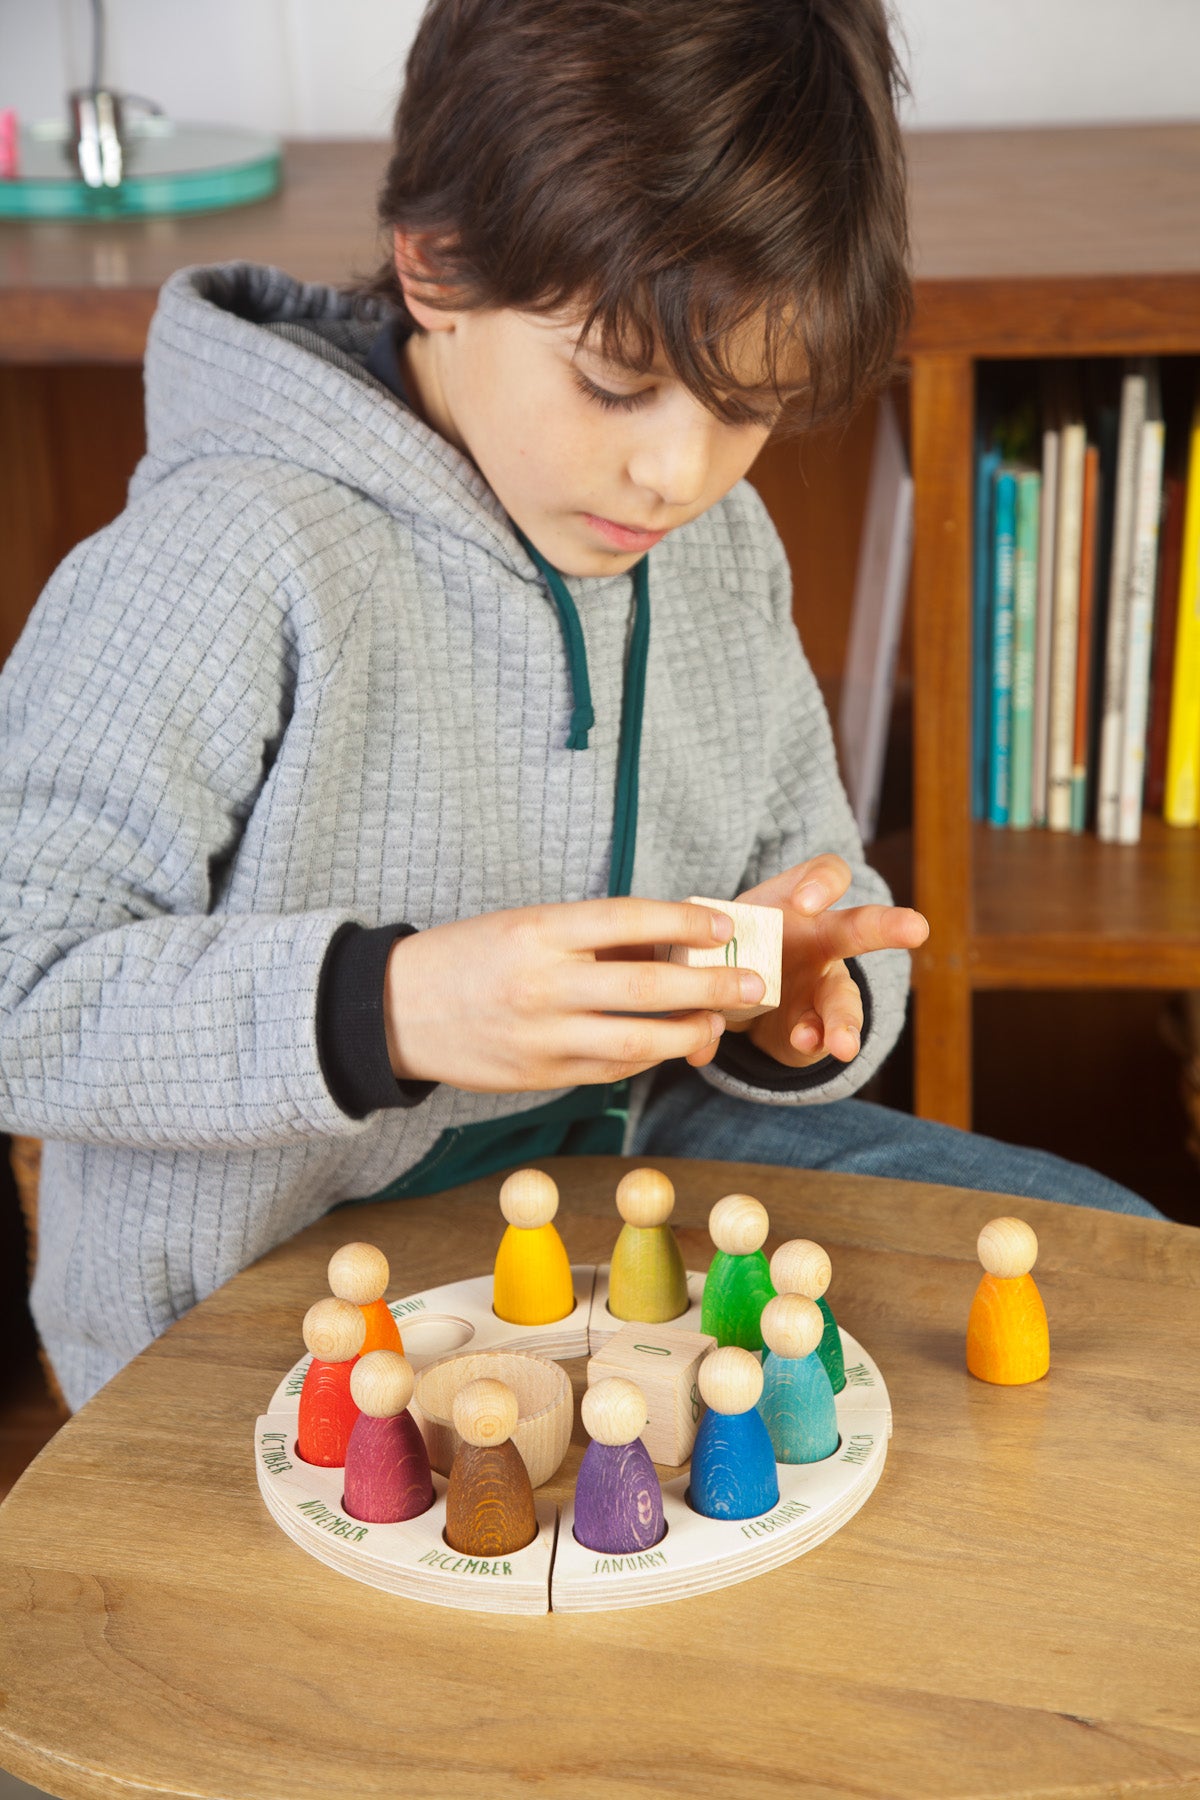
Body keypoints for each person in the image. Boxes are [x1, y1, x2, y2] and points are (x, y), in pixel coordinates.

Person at [0, 0, 1162, 1413]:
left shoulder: (715, 550)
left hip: (635, 1184)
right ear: (436, 265)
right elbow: (22, 976)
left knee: (1128, 1279)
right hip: (275, 1272)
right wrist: (397, 1007)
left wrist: (802, 990)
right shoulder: (228, 554)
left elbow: (818, 877)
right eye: (618, 383)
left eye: (749, 406)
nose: (677, 474)